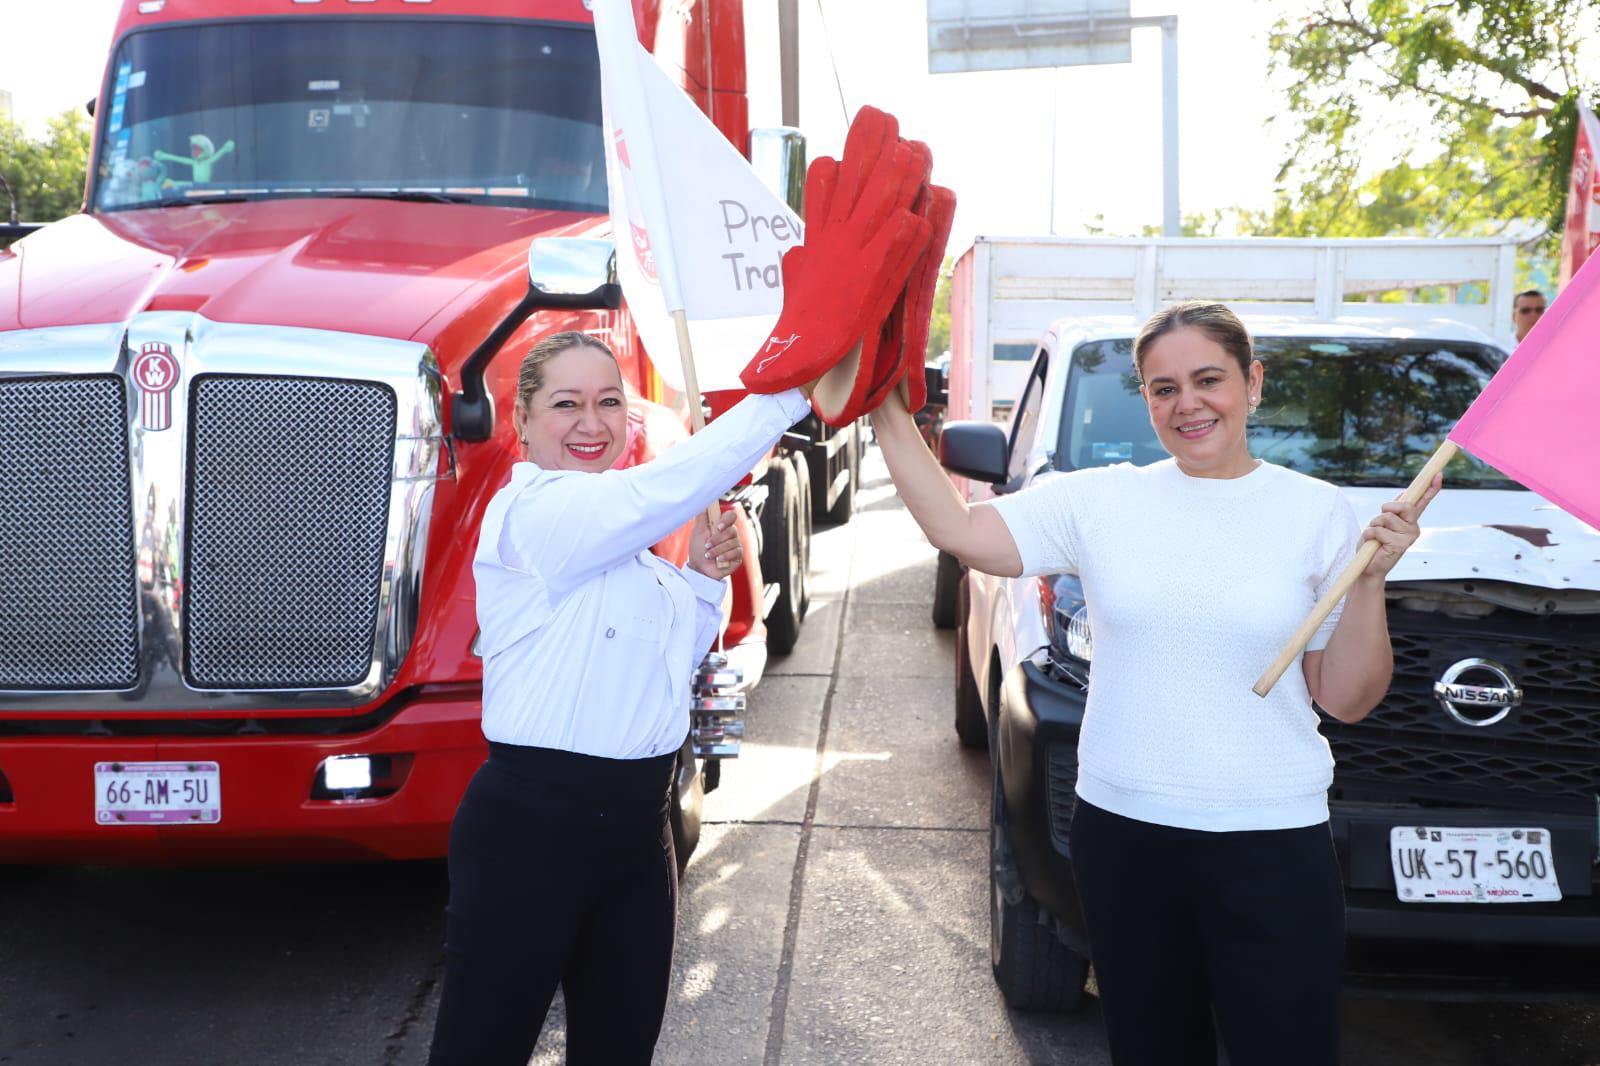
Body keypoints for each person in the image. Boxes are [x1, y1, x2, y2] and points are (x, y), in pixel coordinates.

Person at [870, 301, 1440, 1065]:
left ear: (1254, 382)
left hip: (1272, 842)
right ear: (1146, 398)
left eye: (1209, 379)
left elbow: (1348, 697)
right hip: (1127, 838)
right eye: (1163, 388)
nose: (1187, 404)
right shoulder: (1101, 500)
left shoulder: (1317, 513)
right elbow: (962, 531)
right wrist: (881, 410)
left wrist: (1369, 580)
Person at [426, 331, 813, 1065]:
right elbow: (656, 490)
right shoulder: (531, 517)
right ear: (523, 421)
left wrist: (700, 578)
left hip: (639, 834)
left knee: (620, 1050)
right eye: (565, 403)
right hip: (528, 835)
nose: (592, 422)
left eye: (610, 402)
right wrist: (788, 393)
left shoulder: (632, 553)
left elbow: (672, 664)